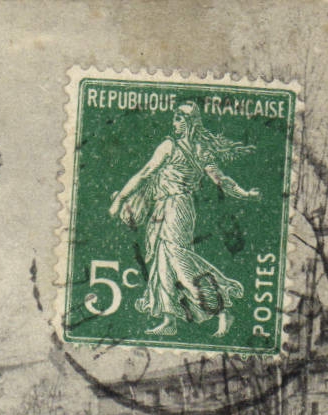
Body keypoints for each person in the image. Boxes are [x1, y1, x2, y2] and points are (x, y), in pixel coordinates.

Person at [108, 100, 261, 337]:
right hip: (168, 207)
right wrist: (245, 193)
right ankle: (169, 319)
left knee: (179, 260)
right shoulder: (196, 150)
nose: (174, 123)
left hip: (177, 207)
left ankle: (221, 309)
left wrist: (119, 200)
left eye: (179, 118)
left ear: (190, 122)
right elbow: (148, 174)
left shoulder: (174, 147)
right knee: (163, 262)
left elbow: (219, 180)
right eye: (175, 118)